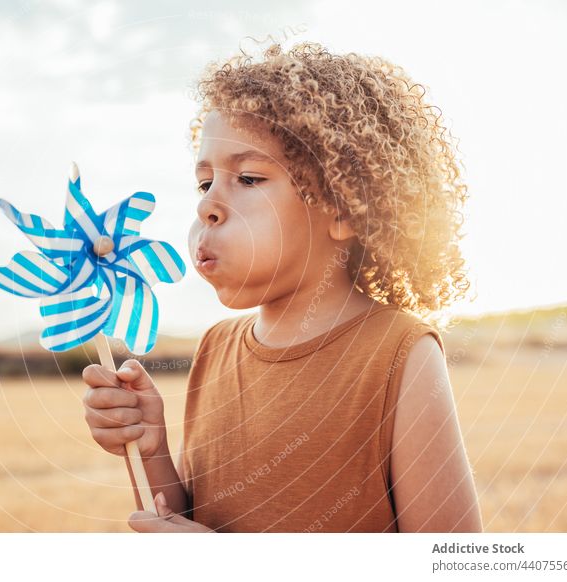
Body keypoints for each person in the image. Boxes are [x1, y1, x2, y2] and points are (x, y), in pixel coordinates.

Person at [82, 42, 482, 532]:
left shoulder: (398, 353)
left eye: (248, 178)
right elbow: (196, 519)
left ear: (343, 208)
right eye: (204, 183)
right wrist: (151, 448)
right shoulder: (215, 348)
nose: (208, 206)